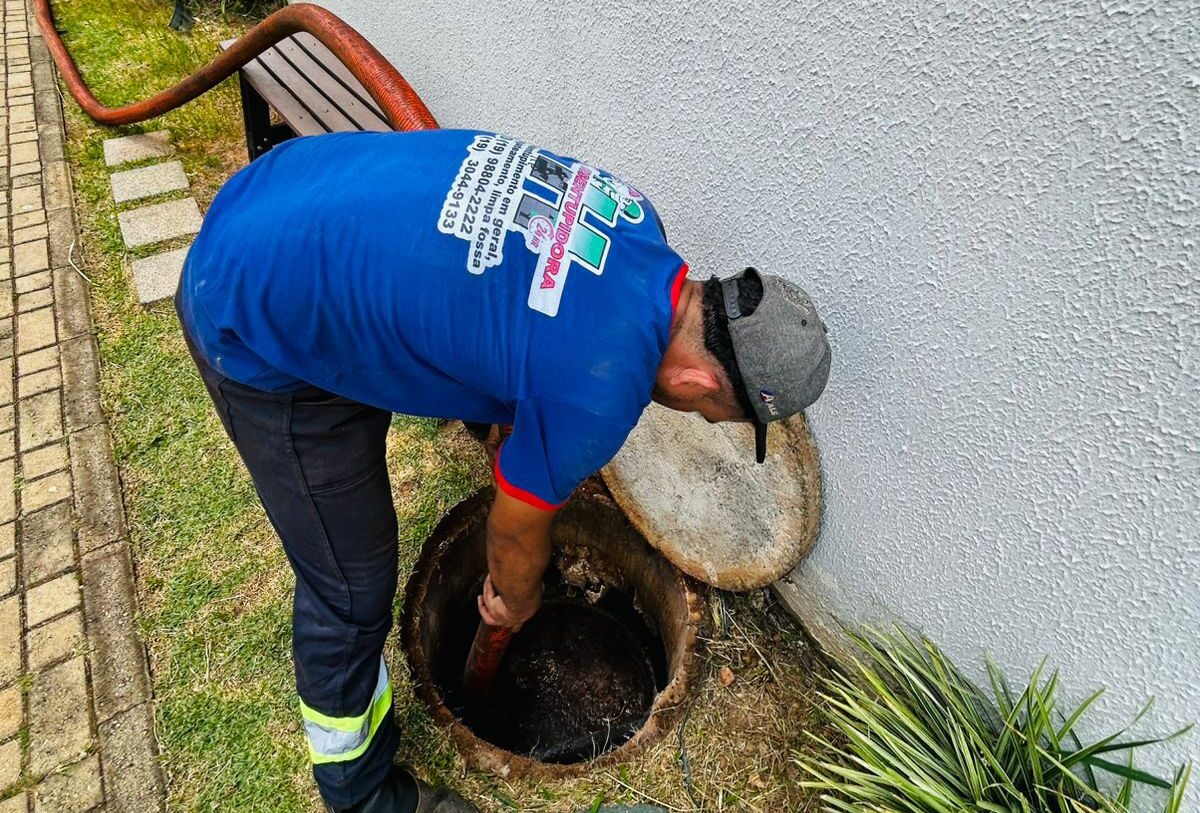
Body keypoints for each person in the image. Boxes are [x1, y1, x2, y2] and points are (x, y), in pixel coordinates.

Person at [175, 129, 831, 813]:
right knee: (350, 584)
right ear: (698, 381)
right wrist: (516, 600)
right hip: (247, 311)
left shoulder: (634, 215)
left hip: (283, 191)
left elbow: (523, 305)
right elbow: (514, 533)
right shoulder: (599, 388)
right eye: (713, 414)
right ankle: (361, 792)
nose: (703, 418)